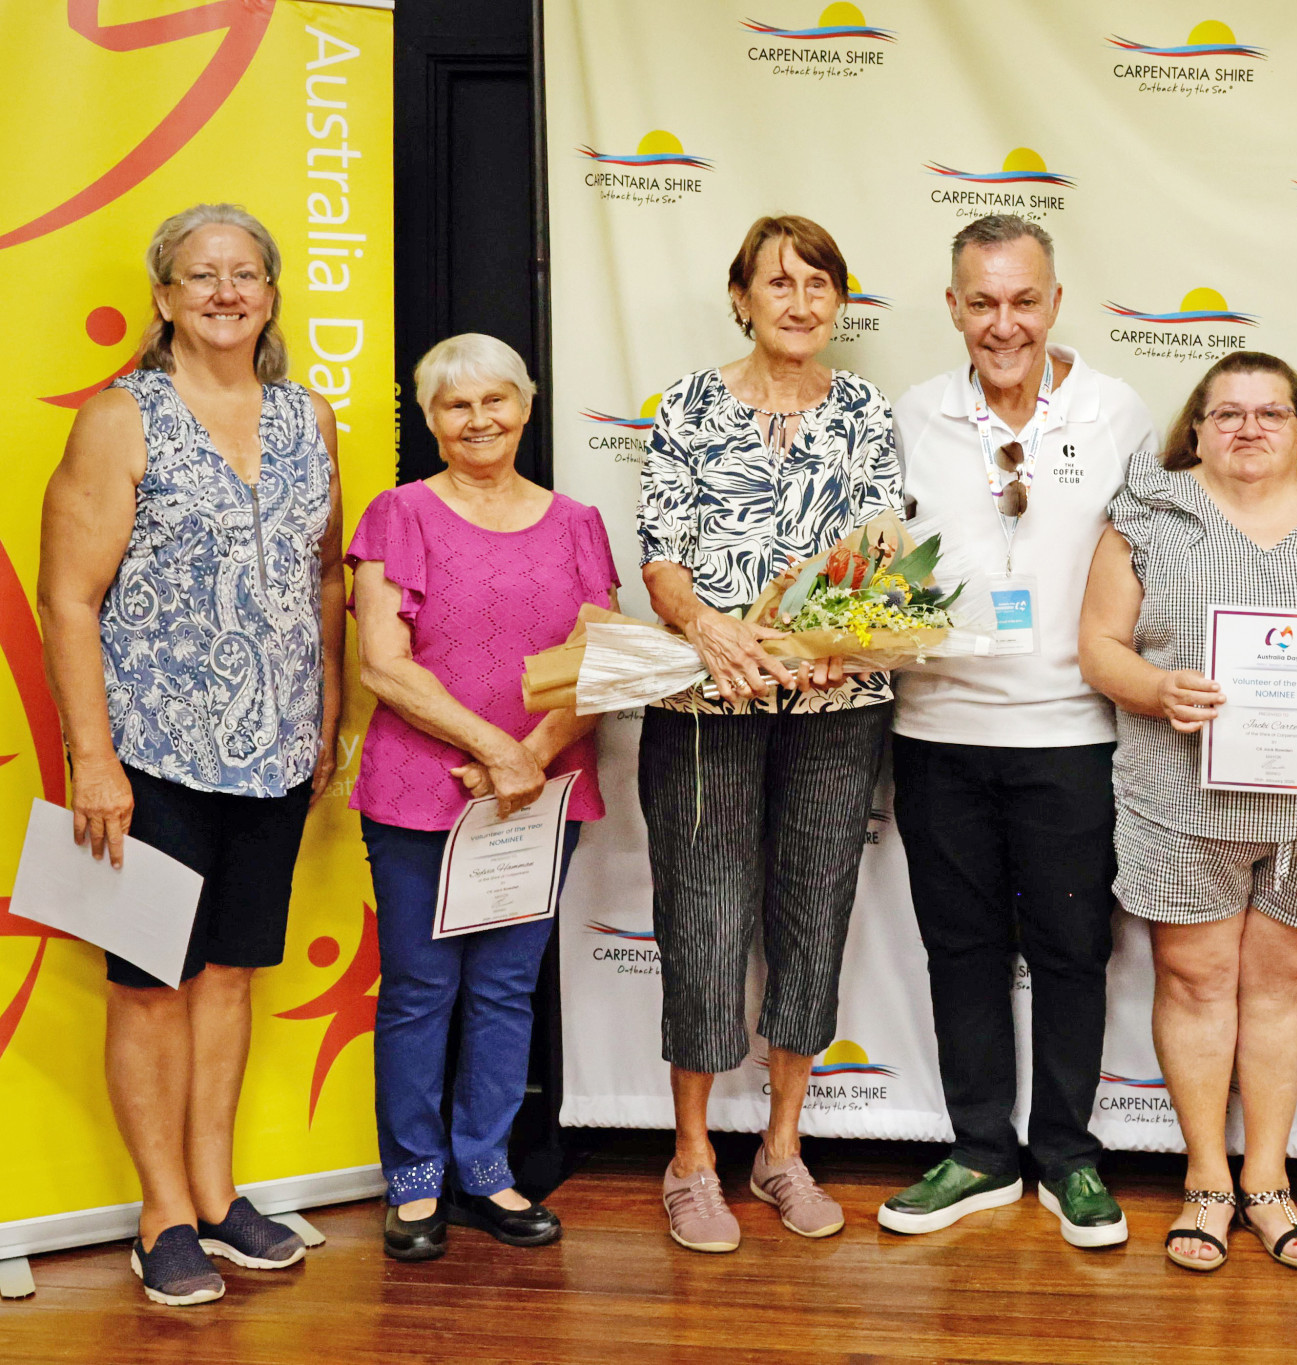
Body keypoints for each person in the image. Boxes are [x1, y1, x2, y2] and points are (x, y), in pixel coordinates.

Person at [37, 204, 343, 1306]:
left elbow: (324, 583)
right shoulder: (121, 420)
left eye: (246, 274)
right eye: (201, 275)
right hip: (152, 755)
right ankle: (161, 1214)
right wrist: (92, 758)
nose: (226, 291)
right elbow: (66, 599)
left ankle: (218, 1200)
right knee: (149, 988)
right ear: (164, 296)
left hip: (273, 754)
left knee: (230, 976)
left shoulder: (311, 417)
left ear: (269, 294)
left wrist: (330, 718)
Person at [1079, 352, 1297, 1271]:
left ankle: (1268, 1181)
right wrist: (1156, 687)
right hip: (1180, 796)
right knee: (1195, 984)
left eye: (1270, 412)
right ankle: (1206, 1180)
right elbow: (1099, 647)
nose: (1247, 428)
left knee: (1279, 988)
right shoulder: (1148, 510)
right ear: (1195, 427)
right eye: (1225, 412)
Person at [878, 216, 1157, 1247]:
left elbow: (1157, 564)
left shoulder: (1117, 410)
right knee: (960, 949)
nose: (1004, 323)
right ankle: (980, 1152)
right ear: (952, 306)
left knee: (1072, 950)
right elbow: (870, 563)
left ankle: (1068, 1157)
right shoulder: (912, 415)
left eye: (1023, 300)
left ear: (1053, 300)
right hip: (937, 728)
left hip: (1073, 732)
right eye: (981, 302)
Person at [638, 215, 900, 1252]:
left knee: (812, 917)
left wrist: (848, 626)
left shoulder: (867, 413)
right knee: (703, 923)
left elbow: (879, 539)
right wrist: (707, 627)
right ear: (740, 296)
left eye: (818, 284)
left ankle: (782, 1148)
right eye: (776, 282)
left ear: (839, 302)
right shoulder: (687, 407)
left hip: (836, 707)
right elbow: (661, 558)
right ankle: (692, 1156)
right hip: (707, 705)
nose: (798, 301)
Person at [349, 334, 620, 1261]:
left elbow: (600, 660)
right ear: (429, 418)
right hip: (423, 791)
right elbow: (383, 664)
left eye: (496, 400)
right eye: (456, 406)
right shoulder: (399, 515)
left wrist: (530, 758)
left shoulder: (579, 521)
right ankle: (415, 1179)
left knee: (506, 989)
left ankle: (486, 1167)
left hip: (535, 794)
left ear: (527, 405)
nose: (479, 420)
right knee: (422, 992)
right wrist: (497, 748)